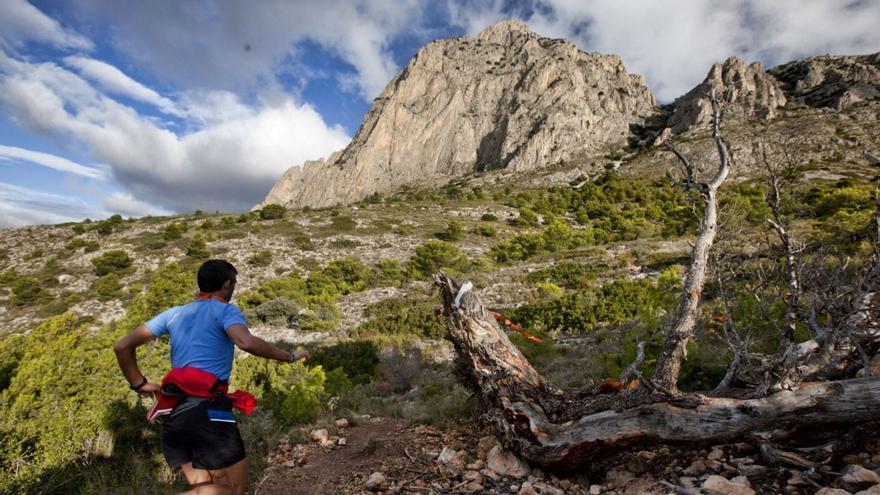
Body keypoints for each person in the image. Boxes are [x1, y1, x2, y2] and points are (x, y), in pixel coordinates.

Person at [113, 259, 308, 495]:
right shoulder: (225, 310)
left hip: (173, 412)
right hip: (208, 409)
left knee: (205, 488)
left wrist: (140, 384)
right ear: (227, 285)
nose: (234, 288)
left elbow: (122, 346)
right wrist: (289, 356)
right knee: (234, 489)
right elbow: (245, 341)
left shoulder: (174, 314)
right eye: (234, 283)